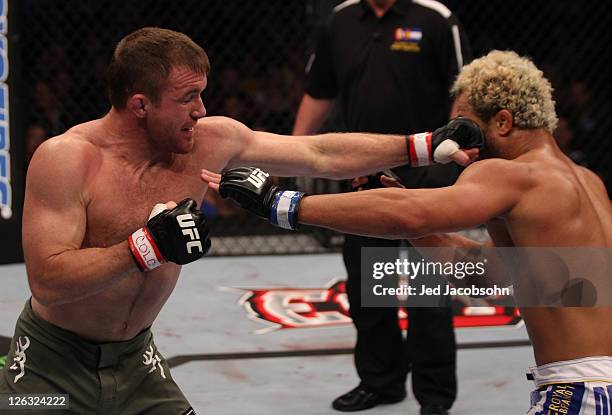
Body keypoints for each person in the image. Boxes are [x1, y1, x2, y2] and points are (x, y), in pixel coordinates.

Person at [0, 27, 477, 414]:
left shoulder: (210, 140)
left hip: (137, 362)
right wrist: (145, 246)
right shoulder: (67, 159)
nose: (201, 110)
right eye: (187, 98)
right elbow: (48, 281)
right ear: (140, 105)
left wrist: (421, 145)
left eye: (202, 95)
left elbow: (318, 152)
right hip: (49, 366)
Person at [212, 50, 612, 414]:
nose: (462, 148)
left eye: (467, 129)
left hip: (580, 389)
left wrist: (281, 204)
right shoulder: (586, 182)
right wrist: (409, 218)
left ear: (503, 121)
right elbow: (490, 273)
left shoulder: (511, 175)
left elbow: (412, 215)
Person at [292, 0, 472, 412]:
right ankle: (381, 381)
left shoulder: (435, 17)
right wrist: (292, 153)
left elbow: (463, 92)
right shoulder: (340, 20)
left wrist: (454, 149)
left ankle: (435, 396)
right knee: (366, 283)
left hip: (430, 171)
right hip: (364, 172)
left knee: (430, 289)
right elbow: (320, 89)